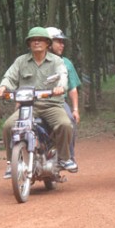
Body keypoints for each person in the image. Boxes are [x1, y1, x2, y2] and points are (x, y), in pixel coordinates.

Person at [0, 26, 77, 179]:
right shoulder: (21, 61)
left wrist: (60, 87)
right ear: (29, 44)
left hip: (52, 104)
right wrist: (2, 87)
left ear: (47, 43)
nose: (37, 42)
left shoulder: (57, 61)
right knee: (8, 126)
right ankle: (10, 163)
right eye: (33, 40)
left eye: (40, 40)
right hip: (28, 105)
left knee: (65, 124)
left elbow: (63, 75)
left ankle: (65, 158)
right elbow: (10, 77)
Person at [45, 27, 81, 164]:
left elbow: (72, 88)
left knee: (70, 121)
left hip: (58, 101)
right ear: (48, 43)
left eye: (62, 42)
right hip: (36, 101)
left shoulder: (66, 63)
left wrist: (75, 109)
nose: (62, 45)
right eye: (58, 41)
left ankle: (68, 157)